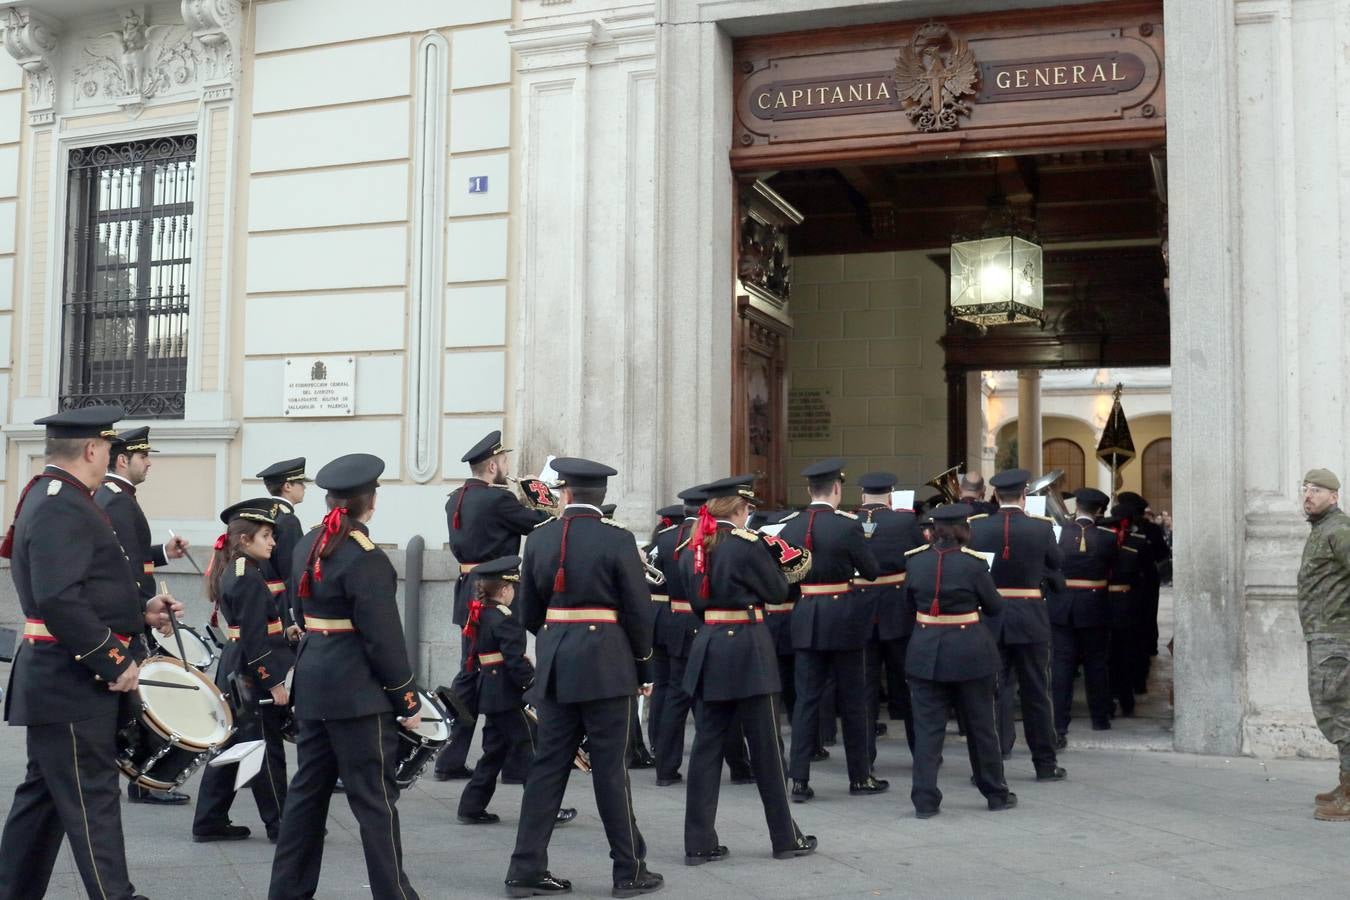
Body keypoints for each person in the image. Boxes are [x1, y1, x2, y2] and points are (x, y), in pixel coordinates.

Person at [0, 405, 183, 900]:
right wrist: (114, 658)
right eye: (108, 448)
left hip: (58, 680)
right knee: (93, 799)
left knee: (45, 798)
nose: (110, 456)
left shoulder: (60, 496)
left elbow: (83, 585)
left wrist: (140, 611)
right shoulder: (63, 502)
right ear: (92, 449)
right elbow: (58, 597)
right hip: (71, 681)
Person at [268, 453, 424, 900]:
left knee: (306, 799)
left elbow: (299, 611)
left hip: (314, 685)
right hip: (358, 695)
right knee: (374, 802)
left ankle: (286, 892)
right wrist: (406, 699)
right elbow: (383, 639)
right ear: (369, 501)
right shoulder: (364, 556)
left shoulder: (308, 543)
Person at [504, 457, 661, 898]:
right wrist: (644, 667)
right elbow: (637, 611)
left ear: (565, 493)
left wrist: (560, 638)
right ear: (601, 497)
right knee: (610, 771)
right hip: (608, 666)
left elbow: (529, 612)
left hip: (556, 663)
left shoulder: (538, 539)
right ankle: (628, 870)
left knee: (548, 768)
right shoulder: (618, 539)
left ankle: (525, 868)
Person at [679, 475, 817, 865]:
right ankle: (784, 837)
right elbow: (776, 591)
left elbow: (695, 603)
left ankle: (699, 842)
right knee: (768, 749)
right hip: (747, 648)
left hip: (710, 647)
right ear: (740, 509)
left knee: (707, 749)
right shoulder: (746, 544)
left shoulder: (694, 545)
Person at [436, 430, 554, 781]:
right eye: (504, 461)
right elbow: (541, 524)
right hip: (495, 590)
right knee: (501, 670)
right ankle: (514, 759)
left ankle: (454, 758)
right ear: (491, 464)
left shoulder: (455, 497)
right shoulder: (498, 500)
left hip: (467, 590)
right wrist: (542, 494)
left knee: (472, 674)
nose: (507, 467)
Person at [94, 425, 193, 805]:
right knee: (139, 705)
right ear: (123, 460)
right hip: (130, 617)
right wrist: (143, 613)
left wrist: (164, 552)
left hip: (135, 612)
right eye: (143, 457)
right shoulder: (117, 500)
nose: (149, 463)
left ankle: (142, 777)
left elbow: (133, 554)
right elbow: (122, 568)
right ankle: (142, 778)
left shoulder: (118, 497)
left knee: (137, 702)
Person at [777, 458, 884, 802]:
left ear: (810, 491)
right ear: (837, 488)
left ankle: (799, 780)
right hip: (843, 618)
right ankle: (859, 776)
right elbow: (870, 571)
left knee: (806, 700)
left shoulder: (790, 527)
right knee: (852, 700)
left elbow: (786, 583)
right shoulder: (846, 526)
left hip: (807, 615)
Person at [902, 504, 1014, 819]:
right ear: (964, 529)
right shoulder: (974, 564)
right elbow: (993, 606)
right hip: (970, 653)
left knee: (927, 731)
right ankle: (995, 792)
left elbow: (907, 604)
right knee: (981, 727)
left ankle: (924, 799)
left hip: (926, 651)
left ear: (933, 530)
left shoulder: (915, 562)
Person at [193, 498, 295, 843]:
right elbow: (254, 639)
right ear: (244, 540)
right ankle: (281, 824)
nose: (273, 542)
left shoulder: (236, 569)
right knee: (265, 748)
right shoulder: (249, 577)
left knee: (233, 746)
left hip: (235, 667)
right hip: (250, 673)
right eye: (266, 535)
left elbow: (252, 629)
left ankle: (209, 820)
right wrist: (274, 683)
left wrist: (286, 633)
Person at [456, 557, 578, 827]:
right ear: (504, 590)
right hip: (507, 696)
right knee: (530, 751)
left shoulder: (480, 613)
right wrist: (532, 687)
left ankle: (471, 806)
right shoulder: (505, 620)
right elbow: (514, 661)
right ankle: (545, 810)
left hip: (489, 692)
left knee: (494, 753)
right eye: (514, 588)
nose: (515, 593)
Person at [967, 469, 1067, 781]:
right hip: (1030, 616)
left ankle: (990, 764)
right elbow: (1056, 563)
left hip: (992, 615)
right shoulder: (1041, 527)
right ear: (1024, 496)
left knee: (991, 692)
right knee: (1037, 691)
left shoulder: (977, 527)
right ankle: (1045, 763)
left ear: (995, 496)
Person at [852, 472, 923, 757]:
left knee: (865, 686)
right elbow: (918, 560)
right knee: (908, 682)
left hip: (860, 608)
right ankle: (921, 750)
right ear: (891, 495)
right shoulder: (905, 521)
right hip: (897, 608)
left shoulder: (851, 521)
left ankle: (864, 755)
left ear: (862, 496)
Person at [1296, 469, 1350, 822]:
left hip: (1337, 637)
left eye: (1316, 490)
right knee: (1332, 710)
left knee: (1339, 712)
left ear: (1333, 495)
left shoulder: (1340, 530)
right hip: (1322, 634)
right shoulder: (1322, 529)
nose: (1308, 495)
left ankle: (1349, 793)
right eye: (1305, 489)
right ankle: (1345, 781)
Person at [1049, 488, 1119, 744]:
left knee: (1062, 665)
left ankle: (1059, 722)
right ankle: (1100, 718)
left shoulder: (1058, 533)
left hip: (1062, 605)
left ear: (1076, 505)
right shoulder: (1108, 538)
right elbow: (1114, 567)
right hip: (1094, 605)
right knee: (1096, 664)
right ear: (1100, 511)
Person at [603, 503, 659, 770]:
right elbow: (635, 607)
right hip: (616, 638)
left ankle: (635, 749)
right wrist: (643, 666)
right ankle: (633, 751)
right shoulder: (619, 546)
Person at [257, 457, 309, 635]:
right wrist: (295, 617)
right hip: (282, 608)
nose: (304, 487)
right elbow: (290, 573)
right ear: (287, 486)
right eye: (300, 483)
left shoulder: (267, 514)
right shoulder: (288, 520)